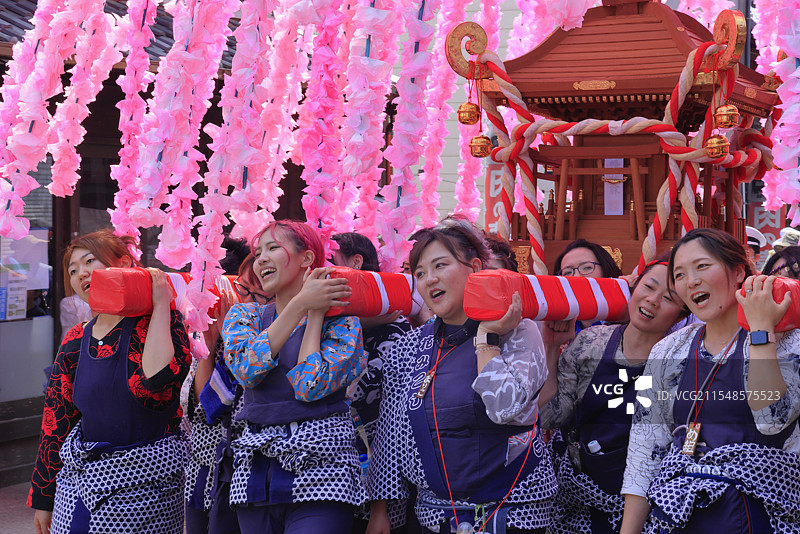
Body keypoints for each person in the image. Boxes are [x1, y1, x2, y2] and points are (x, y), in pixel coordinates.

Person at [367, 216, 555, 534]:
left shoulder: (520, 331)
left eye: (441, 266)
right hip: (434, 514)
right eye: (420, 273)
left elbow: (505, 408)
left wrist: (487, 340)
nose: (429, 280)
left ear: (476, 268)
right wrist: (381, 511)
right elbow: (391, 436)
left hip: (514, 511)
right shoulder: (408, 346)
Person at [620, 228, 800, 534]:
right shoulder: (670, 349)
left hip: (767, 516)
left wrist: (760, 331)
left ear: (738, 271)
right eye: (679, 275)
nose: (691, 281)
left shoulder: (789, 341)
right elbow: (645, 450)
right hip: (682, 515)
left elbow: (772, 418)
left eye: (702, 266)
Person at [29, 229, 192, 534]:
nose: (81, 274)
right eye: (73, 270)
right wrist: (44, 498)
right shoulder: (76, 339)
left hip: (149, 490)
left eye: (90, 261)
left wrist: (160, 305)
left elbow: (157, 381)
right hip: (79, 486)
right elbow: (56, 422)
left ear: (126, 264)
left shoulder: (163, 323)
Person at [221, 220, 366, 534]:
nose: (261, 259)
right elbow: (247, 369)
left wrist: (314, 314)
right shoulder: (243, 316)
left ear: (307, 258)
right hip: (256, 474)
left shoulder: (343, 323)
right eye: (258, 252)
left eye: (273, 248)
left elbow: (309, 386)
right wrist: (301, 304)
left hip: (323, 472)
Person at [538, 256, 688, 534]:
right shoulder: (590, 342)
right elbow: (550, 416)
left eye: (668, 298)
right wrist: (550, 346)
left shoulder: (678, 365)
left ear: (681, 314)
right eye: (648, 287)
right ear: (634, 287)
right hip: (575, 501)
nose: (652, 300)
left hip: (642, 504)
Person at [330, 232, 413, 534]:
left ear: (355, 263)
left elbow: (390, 419)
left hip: (381, 479)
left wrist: (381, 506)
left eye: (332, 262)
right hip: (329, 477)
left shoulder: (396, 327)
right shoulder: (327, 323)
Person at [183, 252, 271, 534]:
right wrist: (210, 345)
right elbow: (202, 405)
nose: (244, 301)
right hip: (204, 464)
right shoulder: (222, 330)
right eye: (242, 288)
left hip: (245, 471)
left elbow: (220, 400)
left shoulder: (273, 339)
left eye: (256, 295)